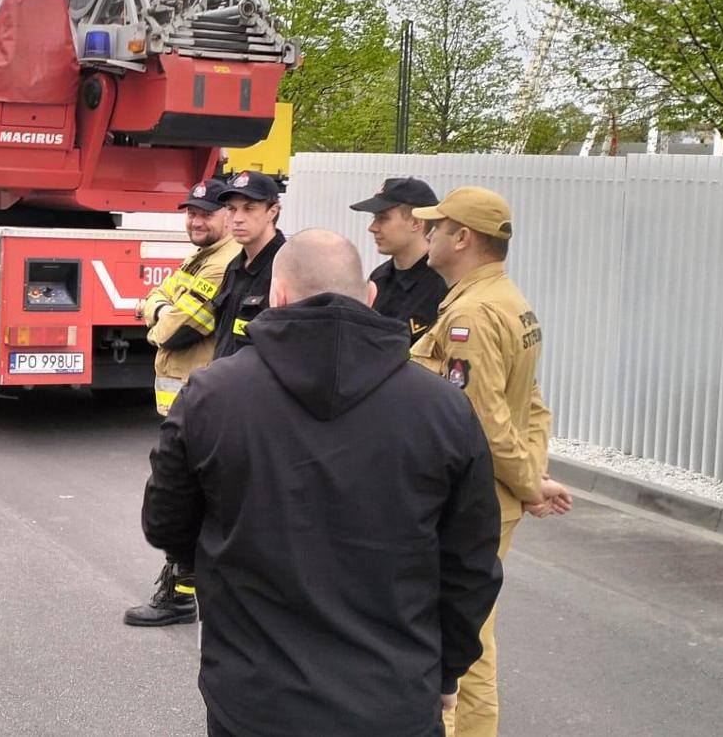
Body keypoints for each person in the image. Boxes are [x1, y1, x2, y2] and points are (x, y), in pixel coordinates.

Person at [143, 229, 504, 737]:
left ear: (278, 295)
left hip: (255, 700)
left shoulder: (211, 395)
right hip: (395, 699)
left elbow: (166, 523)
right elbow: (471, 564)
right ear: (371, 297)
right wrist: (447, 669)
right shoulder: (443, 408)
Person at [409, 186, 573, 737]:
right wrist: (535, 475)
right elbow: (531, 402)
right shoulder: (507, 300)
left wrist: (529, 484)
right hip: (498, 491)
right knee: (473, 626)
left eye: (437, 226)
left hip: (475, 496)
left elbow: (482, 417)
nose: (427, 234)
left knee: (463, 635)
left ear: (464, 237)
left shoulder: (473, 315)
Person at [122, 178, 240, 628]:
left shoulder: (221, 264)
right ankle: (183, 588)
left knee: (188, 501)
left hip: (201, 404)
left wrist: (156, 310)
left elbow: (173, 327)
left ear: (228, 215)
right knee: (186, 499)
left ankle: (182, 595)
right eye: (191, 211)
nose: (196, 219)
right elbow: (160, 300)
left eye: (206, 212)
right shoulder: (200, 258)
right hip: (184, 405)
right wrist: (160, 307)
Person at [354, 177, 447, 343]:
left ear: (416, 222)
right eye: (374, 218)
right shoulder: (379, 278)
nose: (372, 227)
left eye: (382, 218)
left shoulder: (443, 285)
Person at [205, 170, 286, 359]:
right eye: (232, 209)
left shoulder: (286, 267)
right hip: (225, 381)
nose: (238, 218)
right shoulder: (234, 267)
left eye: (249, 208)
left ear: (272, 212)